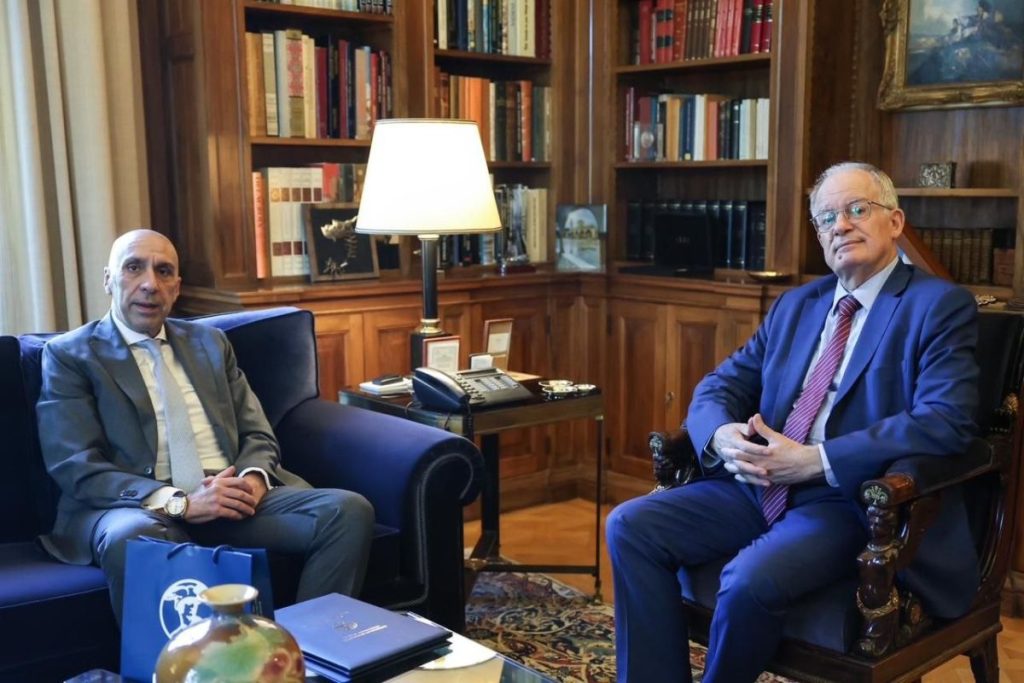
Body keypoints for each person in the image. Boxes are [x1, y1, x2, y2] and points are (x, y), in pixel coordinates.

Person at [606, 162, 980, 682]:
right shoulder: (798, 304)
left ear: (895, 222)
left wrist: (815, 460)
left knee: (748, 579)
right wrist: (721, 435)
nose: (841, 225)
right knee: (629, 525)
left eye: (857, 209)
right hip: (756, 484)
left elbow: (945, 419)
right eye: (827, 218)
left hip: (845, 498)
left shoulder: (937, 305)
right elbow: (718, 386)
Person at [36, 228, 375, 622]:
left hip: (228, 498)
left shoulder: (210, 343)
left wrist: (251, 481)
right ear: (109, 280)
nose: (150, 284)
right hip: (138, 508)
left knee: (347, 511)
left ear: (176, 287)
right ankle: (184, 659)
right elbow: (75, 465)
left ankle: (306, 650)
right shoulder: (70, 355)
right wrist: (179, 502)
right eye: (133, 268)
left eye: (164, 272)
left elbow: (257, 432)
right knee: (133, 537)